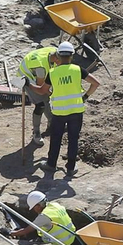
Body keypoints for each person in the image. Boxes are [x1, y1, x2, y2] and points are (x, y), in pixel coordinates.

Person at [42, 41, 100, 179]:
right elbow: (96, 83)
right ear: (72, 56)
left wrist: (27, 84)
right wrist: (85, 96)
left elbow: (43, 90)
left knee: (56, 138)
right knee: (73, 139)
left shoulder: (53, 73)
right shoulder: (78, 69)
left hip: (59, 113)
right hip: (76, 111)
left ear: (58, 55)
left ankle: (51, 164)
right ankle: (70, 168)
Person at [2, 190, 82, 245]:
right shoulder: (55, 205)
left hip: (61, 243)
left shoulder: (44, 216)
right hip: (71, 238)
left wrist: (10, 232)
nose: (34, 210)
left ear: (38, 205)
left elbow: (26, 231)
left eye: (33, 208)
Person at [18, 44, 60, 143]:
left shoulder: (55, 50)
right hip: (27, 78)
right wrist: (52, 93)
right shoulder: (41, 68)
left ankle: (51, 123)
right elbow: (41, 89)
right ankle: (36, 132)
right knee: (40, 104)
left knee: (46, 99)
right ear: (56, 58)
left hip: (39, 74)